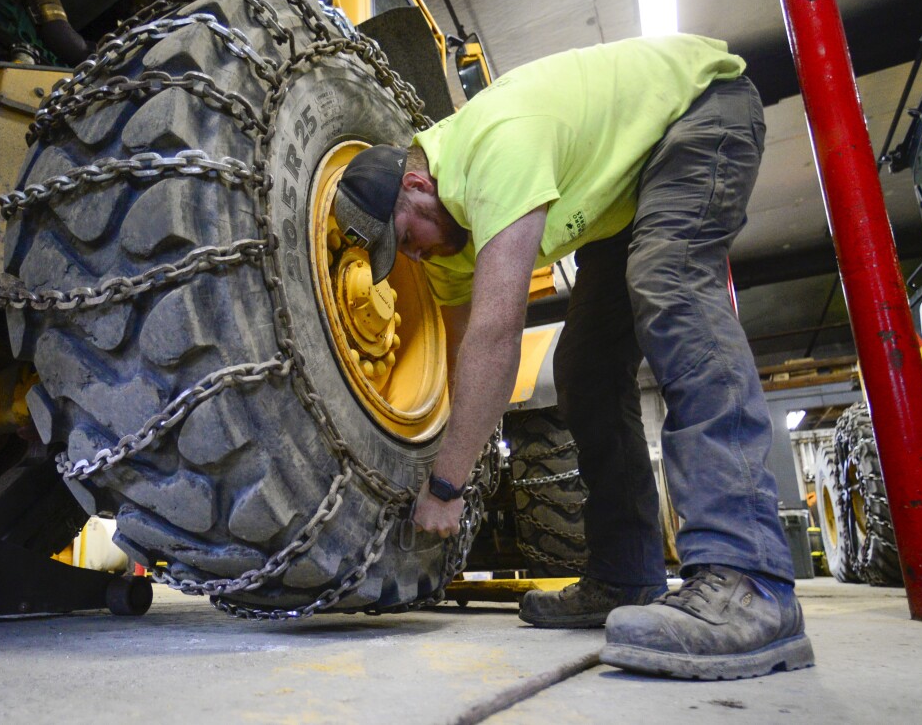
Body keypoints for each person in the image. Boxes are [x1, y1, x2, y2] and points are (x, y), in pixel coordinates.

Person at [332, 34, 814, 680]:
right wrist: (431, 465)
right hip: (624, 201)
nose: (414, 257)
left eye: (407, 239)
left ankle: (750, 582)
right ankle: (625, 576)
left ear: (418, 184)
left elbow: (498, 335)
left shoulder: (492, 147)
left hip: (697, 115)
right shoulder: (446, 243)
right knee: (584, 368)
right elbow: (460, 366)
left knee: (670, 289)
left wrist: (447, 488)